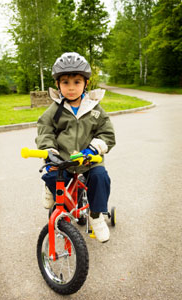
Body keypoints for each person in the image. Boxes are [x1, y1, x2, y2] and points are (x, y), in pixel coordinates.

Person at [35, 52, 116, 242]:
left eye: (77, 82)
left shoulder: (95, 109)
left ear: (86, 84)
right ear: (58, 84)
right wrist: (49, 151)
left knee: (100, 177)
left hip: (88, 160)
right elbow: (45, 130)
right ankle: (51, 188)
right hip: (62, 159)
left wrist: (93, 150)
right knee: (51, 173)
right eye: (65, 83)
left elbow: (107, 134)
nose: (71, 88)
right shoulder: (55, 110)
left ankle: (96, 216)